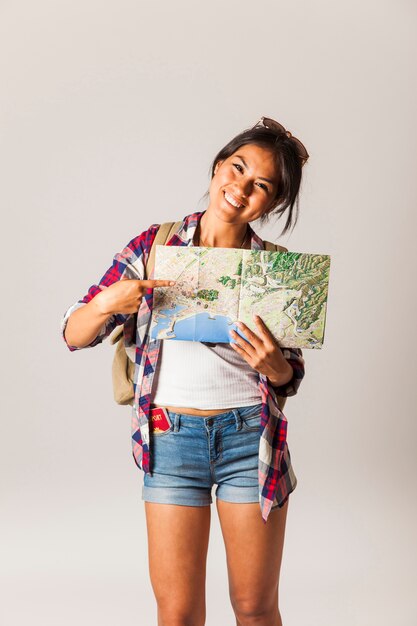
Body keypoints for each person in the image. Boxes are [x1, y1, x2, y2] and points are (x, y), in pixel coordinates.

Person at [61, 116, 308, 626]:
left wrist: (276, 366)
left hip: (248, 440)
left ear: (273, 202)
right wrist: (111, 299)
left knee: (255, 608)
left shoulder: (276, 270)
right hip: (170, 440)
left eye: (260, 185)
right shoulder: (156, 246)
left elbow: (292, 376)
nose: (240, 189)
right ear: (219, 166)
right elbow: (74, 334)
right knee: (176, 613)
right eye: (237, 169)